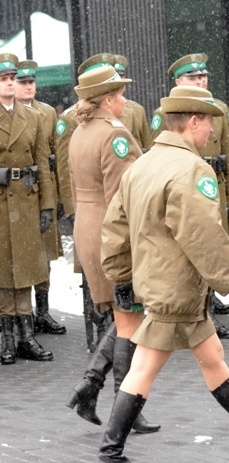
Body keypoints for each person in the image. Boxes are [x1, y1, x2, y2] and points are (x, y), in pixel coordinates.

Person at [96, 85, 229, 462]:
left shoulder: (141, 165)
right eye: (210, 124)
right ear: (193, 122)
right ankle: (110, 451)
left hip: (159, 284)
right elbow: (203, 236)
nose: (213, 132)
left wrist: (122, 276)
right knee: (144, 369)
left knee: (212, 356)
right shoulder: (191, 169)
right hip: (178, 288)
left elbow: (115, 230)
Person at [64, 65, 159, 434]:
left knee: (123, 318)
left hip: (90, 229)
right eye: (119, 94)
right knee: (130, 322)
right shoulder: (114, 135)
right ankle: (126, 407)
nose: (124, 100)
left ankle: (90, 387)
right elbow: (126, 199)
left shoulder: (81, 131)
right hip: (113, 234)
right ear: (107, 99)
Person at [151, 52, 229, 338]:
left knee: (214, 243)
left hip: (214, 186)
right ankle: (204, 313)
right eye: (193, 77)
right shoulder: (167, 114)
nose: (200, 81)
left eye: (203, 76)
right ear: (178, 81)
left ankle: (210, 303)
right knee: (196, 245)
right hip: (186, 189)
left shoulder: (218, 109)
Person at [0, 52, 55, 364]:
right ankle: (7, 339)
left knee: (25, 268)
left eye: (12, 78)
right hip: (1, 203)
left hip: (25, 199)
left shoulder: (33, 118)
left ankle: (26, 336)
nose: (9, 84)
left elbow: (43, 165)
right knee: (3, 272)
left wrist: (47, 204)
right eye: (4, 79)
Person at [15, 59, 67, 334]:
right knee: (19, 256)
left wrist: (55, 198)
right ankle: (19, 317)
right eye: (22, 82)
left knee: (44, 256)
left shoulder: (47, 113)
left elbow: (57, 154)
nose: (27, 87)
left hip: (42, 188)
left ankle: (43, 311)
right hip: (18, 193)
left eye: (31, 82)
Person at [113, 54, 152, 151]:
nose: (120, 81)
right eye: (115, 77)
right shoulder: (87, 114)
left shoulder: (137, 110)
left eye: (122, 76)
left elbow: (147, 147)